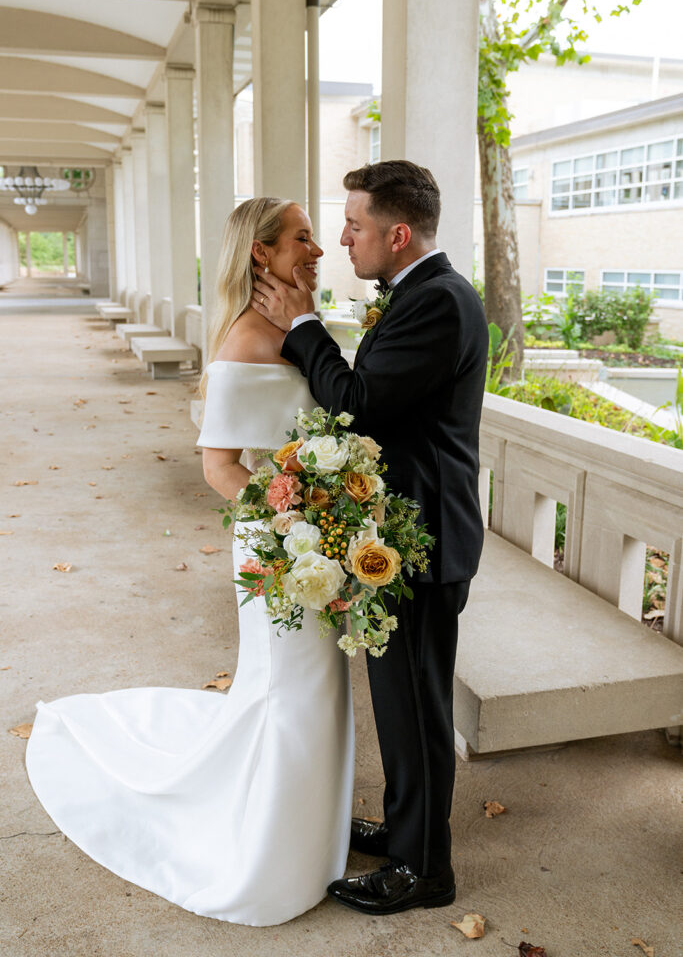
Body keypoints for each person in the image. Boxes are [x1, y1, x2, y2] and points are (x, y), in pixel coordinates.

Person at [25, 197, 355, 927]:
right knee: (291, 692)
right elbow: (219, 467)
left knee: (319, 692)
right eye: (302, 238)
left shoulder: (299, 328)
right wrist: (288, 534)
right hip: (280, 547)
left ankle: (311, 833)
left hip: (318, 538)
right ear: (261, 253)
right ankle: (268, 851)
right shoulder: (243, 340)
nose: (318, 249)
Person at [251, 160, 489, 916]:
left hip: (425, 536)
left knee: (416, 710)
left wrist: (299, 326)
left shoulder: (440, 303)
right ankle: (403, 830)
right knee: (399, 706)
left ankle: (423, 872)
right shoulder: (418, 295)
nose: (342, 240)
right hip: (406, 532)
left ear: (397, 232)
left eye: (352, 226)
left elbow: (357, 401)